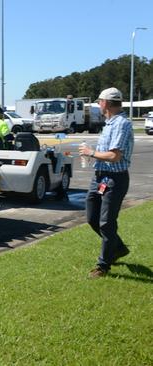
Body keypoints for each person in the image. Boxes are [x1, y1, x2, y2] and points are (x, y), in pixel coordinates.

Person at [79, 87, 134, 279]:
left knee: (106, 223)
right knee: (92, 217)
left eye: (99, 101)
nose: (98, 104)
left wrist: (91, 153)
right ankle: (118, 248)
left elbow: (114, 156)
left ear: (107, 103)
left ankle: (103, 265)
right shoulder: (110, 123)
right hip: (100, 177)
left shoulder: (121, 124)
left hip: (114, 179)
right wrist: (93, 151)